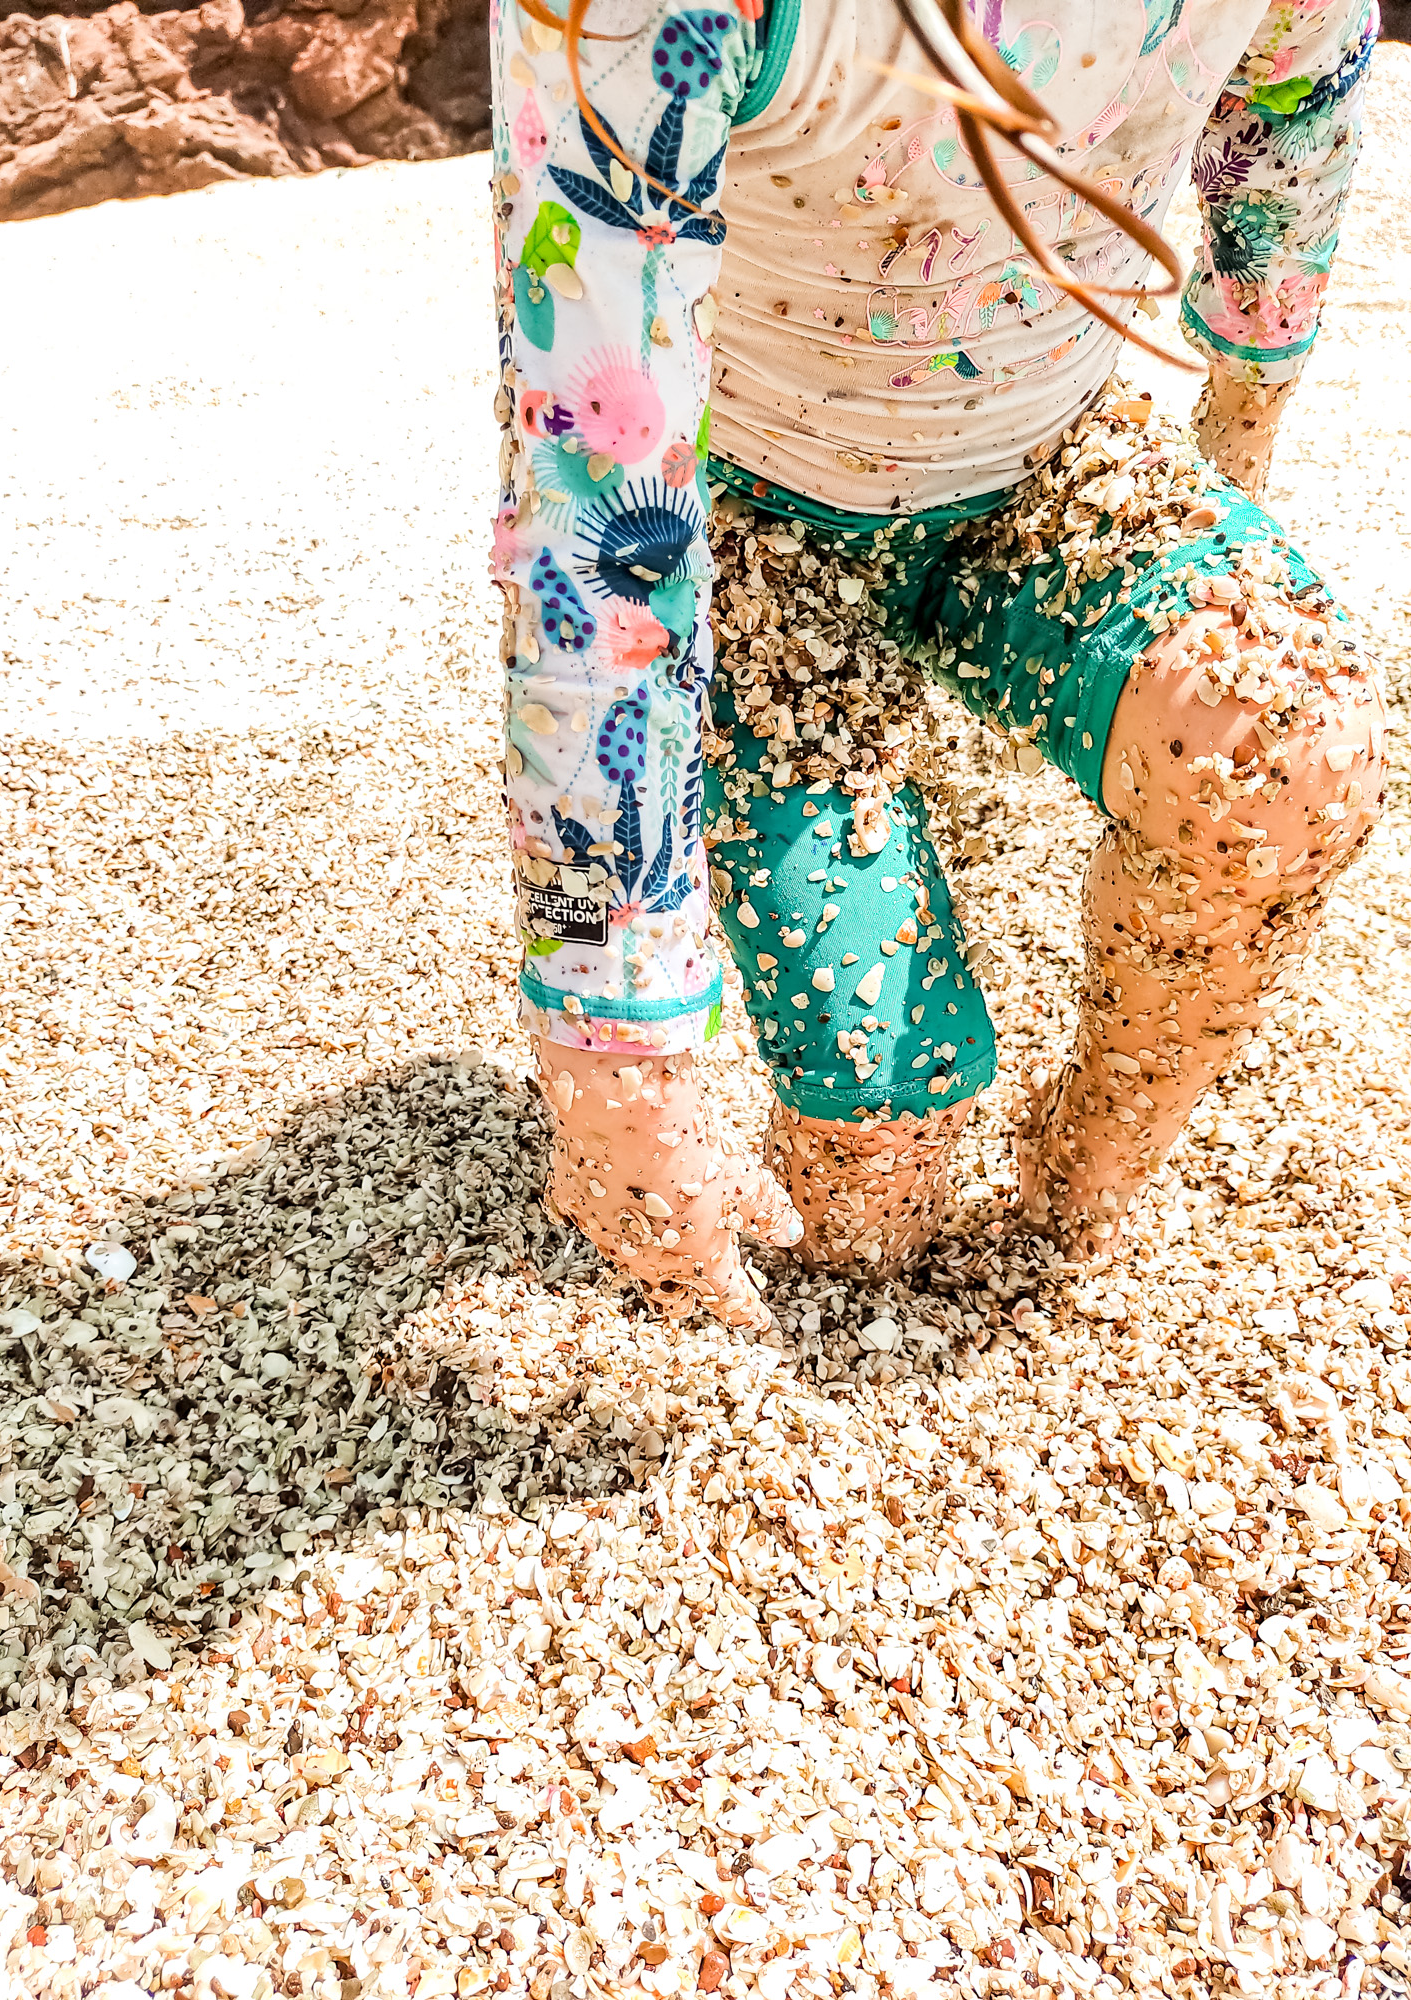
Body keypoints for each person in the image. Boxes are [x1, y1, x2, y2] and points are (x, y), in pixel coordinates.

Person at [489, 0, 1387, 1329]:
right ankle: (887, 1195)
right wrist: (601, 1038)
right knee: (867, 1196)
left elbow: (1294, 103)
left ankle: (1074, 1196)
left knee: (1290, 748)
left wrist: (1246, 398)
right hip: (753, 516)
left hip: (1054, 453)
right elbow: (586, 522)